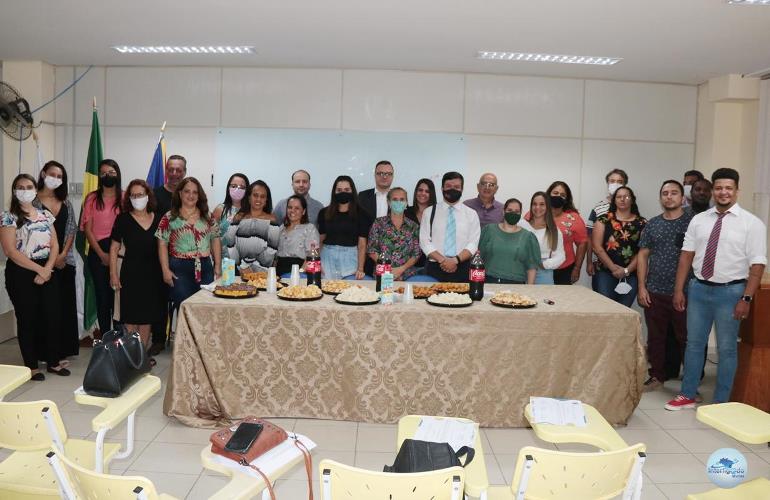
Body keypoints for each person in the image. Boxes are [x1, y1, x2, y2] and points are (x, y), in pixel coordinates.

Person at [666, 168, 767, 410]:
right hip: (699, 289)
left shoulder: (752, 224)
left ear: (737, 191)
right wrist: (679, 290)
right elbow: (685, 257)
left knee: (727, 348)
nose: (723, 192)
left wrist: (746, 298)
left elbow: (758, 265)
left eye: (728, 188)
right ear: (713, 190)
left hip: (731, 293)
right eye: (719, 188)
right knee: (693, 344)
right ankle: (688, 394)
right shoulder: (699, 220)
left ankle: (721, 402)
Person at [1, 174, 69, 380]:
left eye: (29, 186)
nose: (25, 190)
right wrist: (39, 270)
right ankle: (31, 366)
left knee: (52, 316)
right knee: (28, 319)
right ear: (14, 191)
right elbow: (11, 251)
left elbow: (55, 244)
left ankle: (53, 362)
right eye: (20, 187)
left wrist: (47, 268)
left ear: (35, 189)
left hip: (47, 270)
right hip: (21, 272)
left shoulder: (44, 214)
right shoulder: (8, 217)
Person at [637, 180, 693, 392]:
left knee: (686, 339)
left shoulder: (692, 222)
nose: (669, 197)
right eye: (665, 193)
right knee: (656, 336)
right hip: (655, 290)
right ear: (661, 198)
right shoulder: (653, 224)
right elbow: (642, 255)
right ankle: (657, 376)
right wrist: (642, 287)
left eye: (673, 193)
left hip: (685, 292)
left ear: (682, 197)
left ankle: (690, 383)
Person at [109, 180, 164, 351]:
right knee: (131, 318)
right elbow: (114, 247)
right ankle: (131, 355)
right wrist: (113, 274)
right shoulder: (123, 219)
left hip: (153, 274)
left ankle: (142, 355)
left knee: (147, 318)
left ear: (148, 196)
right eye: (133, 195)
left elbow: (164, 246)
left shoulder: (159, 218)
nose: (136, 198)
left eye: (140, 195)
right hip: (130, 273)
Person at [156, 177, 221, 310]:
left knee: (206, 308)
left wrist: (218, 266)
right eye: (187, 191)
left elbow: (215, 239)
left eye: (195, 192)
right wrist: (165, 269)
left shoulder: (208, 216)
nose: (191, 195)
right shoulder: (169, 217)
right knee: (185, 308)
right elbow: (162, 244)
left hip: (205, 267)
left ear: (199, 195)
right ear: (180, 194)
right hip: (180, 268)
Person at [35, 161, 79, 358]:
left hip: (64, 262)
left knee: (64, 307)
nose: (56, 179)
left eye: (60, 176)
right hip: (40, 264)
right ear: (44, 174)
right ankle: (44, 353)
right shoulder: (33, 201)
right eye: (52, 174)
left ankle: (63, 351)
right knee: (45, 309)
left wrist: (62, 256)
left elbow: (72, 230)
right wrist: (52, 261)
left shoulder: (66, 202)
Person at [149, 155, 186, 356]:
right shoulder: (154, 195)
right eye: (171, 169)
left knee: (183, 300)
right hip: (159, 256)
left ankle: (183, 340)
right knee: (160, 300)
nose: (174, 173)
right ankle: (158, 340)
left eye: (178, 170)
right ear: (166, 171)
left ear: (184, 172)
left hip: (183, 257)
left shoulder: (189, 195)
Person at [80, 159, 121, 334]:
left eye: (111, 172)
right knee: (103, 298)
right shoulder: (92, 198)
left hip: (120, 253)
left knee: (118, 299)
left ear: (117, 174)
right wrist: (103, 255)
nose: (107, 176)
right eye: (103, 173)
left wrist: (113, 256)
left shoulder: (125, 197)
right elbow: (87, 230)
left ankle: (120, 337)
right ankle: (106, 337)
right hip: (98, 253)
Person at [419, 172, 481, 282]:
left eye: (456, 187)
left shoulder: (471, 214)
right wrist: (443, 261)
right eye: (448, 186)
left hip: (462, 267)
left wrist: (455, 260)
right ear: (442, 188)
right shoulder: (429, 212)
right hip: (435, 267)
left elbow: (473, 243)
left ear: (462, 189)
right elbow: (424, 242)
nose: (452, 189)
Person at [591, 186, 647, 307]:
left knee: (624, 311)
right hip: (605, 273)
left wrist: (626, 271)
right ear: (614, 200)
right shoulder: (603, 220)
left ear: (632, 200)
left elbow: (642, 252)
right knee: (605, 310)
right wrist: (613, 268)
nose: (623, 199)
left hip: (631, 274)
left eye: (626, 196)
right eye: (619, 197)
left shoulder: (642, 223)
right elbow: (596, 247)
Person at [318, 176, 371, 279]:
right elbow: (320, 240)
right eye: (339, 190)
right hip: (327, 257)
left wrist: (360, 269)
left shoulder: (362, 214)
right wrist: (316, 261)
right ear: (334, 192)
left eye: (347, 190)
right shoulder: (324, 213)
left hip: (350, 258)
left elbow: (362, 244)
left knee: (348, 292)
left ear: (353, 191)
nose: (343, 192)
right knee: (325, 290)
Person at [478, 198, 540, 284]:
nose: (513, 213)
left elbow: (532, 268)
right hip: (489, 282)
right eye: (509, 210)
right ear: (503, 212)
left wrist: (529, 289)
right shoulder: (489, 230)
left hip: (516, 284)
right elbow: (478, 258)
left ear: (520, 214)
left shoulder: (528, 237)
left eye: (516, 211)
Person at [224, 180, 280, 273]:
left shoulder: (272, 219)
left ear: (266, 200)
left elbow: (272, 247)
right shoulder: (238, 217)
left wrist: (254, 267)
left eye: (262, 196)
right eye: (255, 195)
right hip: (239, 270)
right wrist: (241, 266)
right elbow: (230, 243)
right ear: (249, 197)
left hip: (262, 271)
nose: (258, 199)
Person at [367, 187, 422, 281]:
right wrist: (388, 269)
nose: (398, 202)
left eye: (402, 199)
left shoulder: (413, 226)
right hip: (383, 273)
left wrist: (401, 269)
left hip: (407, 275)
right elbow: (372, 250)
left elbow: (416, 254)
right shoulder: (379, 223)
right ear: (389, 202)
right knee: (383, 296)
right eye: (395, 199)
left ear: (406, 203)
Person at [586, 169, 628, 287]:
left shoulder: (630, 208)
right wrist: (589, 261)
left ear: (625, 186)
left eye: (620, 182)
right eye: (612, 181)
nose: (615, 184)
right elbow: (589, 237)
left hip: (624, 266)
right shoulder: (598, 208)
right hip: (601, 265)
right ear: (607, 184)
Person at [546, 181, 589, 285]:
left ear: (567, 199)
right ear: (548, 195)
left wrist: (577, 268)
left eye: (562, 195)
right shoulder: (536, 213)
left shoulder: (574, 218)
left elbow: (582, 243)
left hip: (564, 269)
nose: (558, 196)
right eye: (555, 193)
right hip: (539, 268)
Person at [519, 191, 565, 284]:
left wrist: (544, 265)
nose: (537, 207)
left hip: (543, 272)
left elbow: (561, 256)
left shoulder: (554, 230)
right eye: (534, 204)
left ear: (547, 206)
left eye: (542, 204)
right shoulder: (521, 224)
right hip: (521, 269)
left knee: (542, 298)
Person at [276, 195, 320, 276]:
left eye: (297, 208)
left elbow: (314, 255)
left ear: (303, 211)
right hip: (279, 271)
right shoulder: (281, 228)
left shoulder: (310, 228)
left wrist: (300, 272)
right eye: (290, 207)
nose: (292, 210)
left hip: (300, 271)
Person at [405, 178, 437, 275]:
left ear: (431, 194)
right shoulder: (406, 212)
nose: (423, 193)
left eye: (427, 191)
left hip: (431, 263)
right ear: (415, 192)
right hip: (408, 264)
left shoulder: (437, 213)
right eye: (420, 190)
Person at [211, 172, 249, 250]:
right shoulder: (220, 209)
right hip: (223, 259)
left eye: (242, 187)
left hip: (245, 259)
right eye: (234, 186)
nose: (237, 189)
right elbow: (211, 236)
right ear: (228, 188)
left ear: (247, 190)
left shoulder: (250, 212)